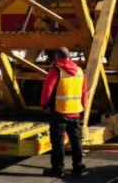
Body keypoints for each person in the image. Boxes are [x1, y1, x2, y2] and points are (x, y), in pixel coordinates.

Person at [40, 47, 87, 178]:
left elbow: (47, 89)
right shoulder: (79, 71)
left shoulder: (56, 71)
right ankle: (78, 167)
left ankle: (58, 169)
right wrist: (83, 108)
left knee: (58, 142)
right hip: (76, 112)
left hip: (59, 112)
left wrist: (44, 105)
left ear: (57, 57)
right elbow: (84, 92)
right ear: (69, 57)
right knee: (76, 141)